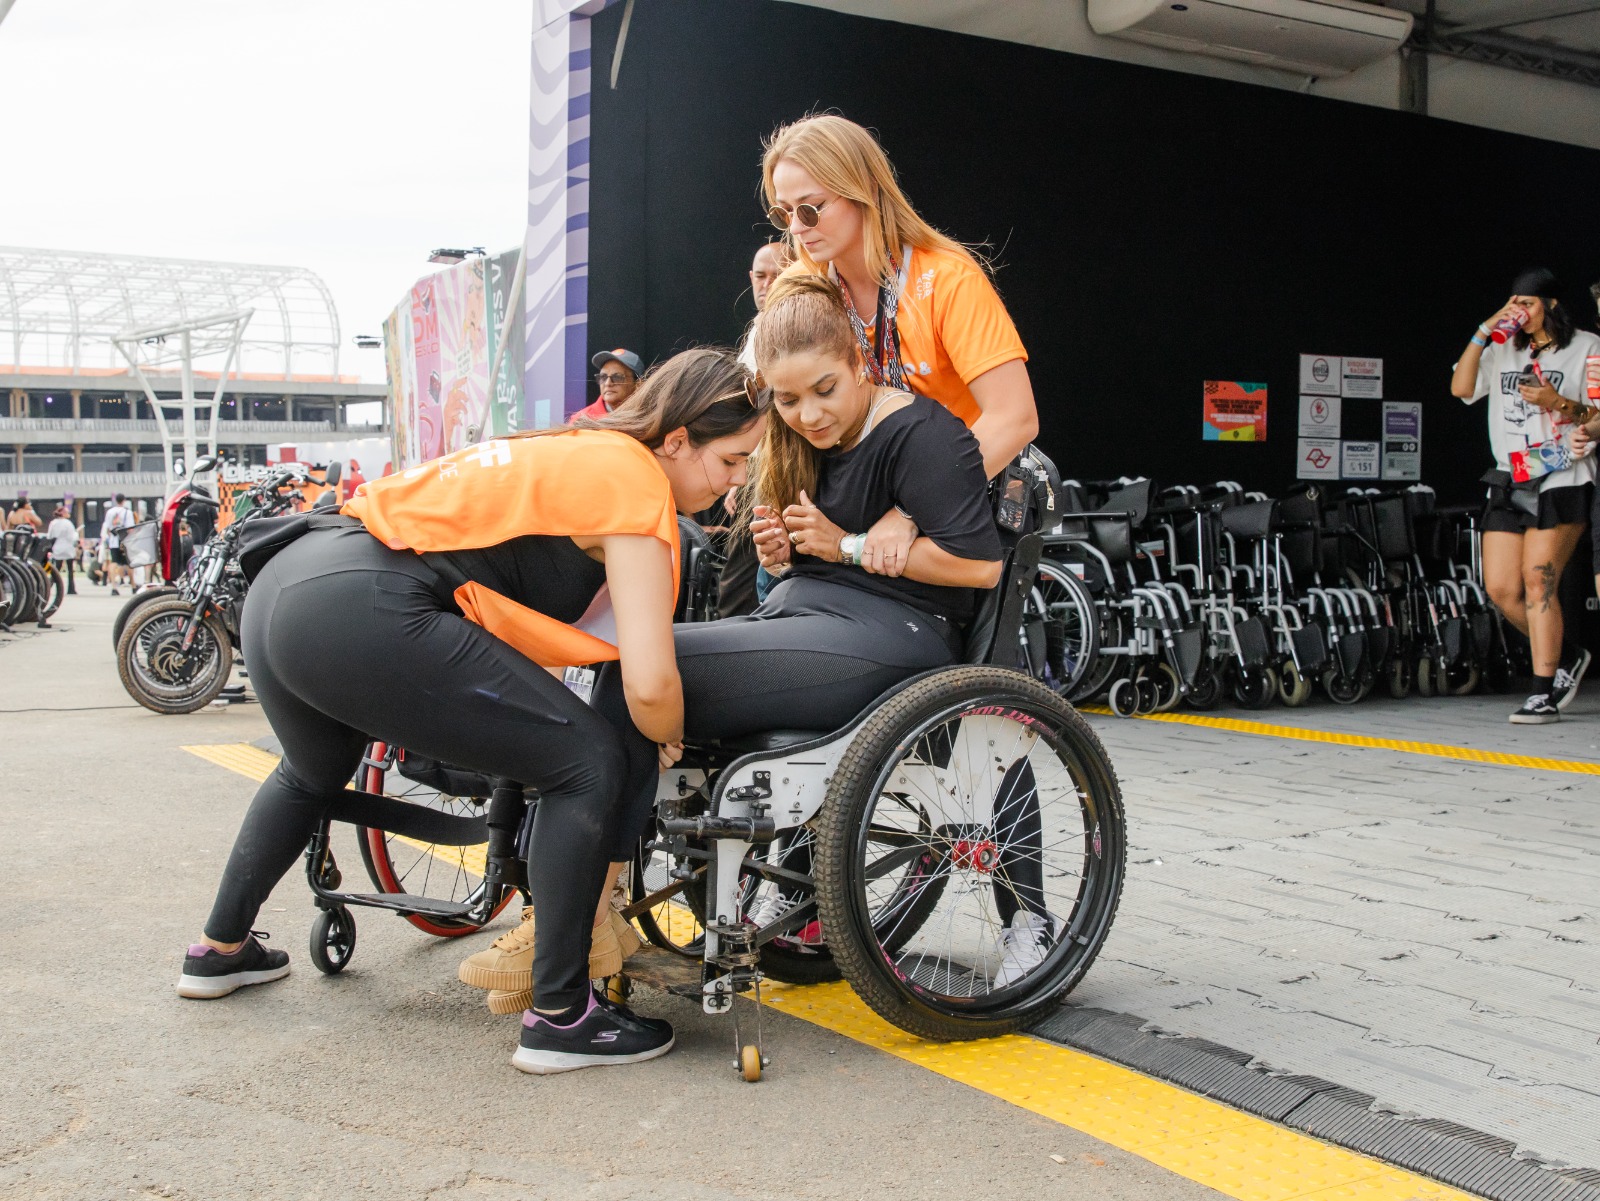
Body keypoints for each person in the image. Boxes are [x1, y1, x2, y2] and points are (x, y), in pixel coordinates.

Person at [175, 348, 766, 1076]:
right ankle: (560, 1015)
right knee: (586, 761)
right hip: (369, 605)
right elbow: (649, 683)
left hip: (290, 585)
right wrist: (666, 730)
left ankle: (220, 949)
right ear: (677, 439)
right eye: (733, 460)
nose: (737, 481)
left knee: (311, 769)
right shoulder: (636, 480)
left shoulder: (568, 446)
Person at [762, 112, 1039, 576]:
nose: (796, 228)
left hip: (958, 503)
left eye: (810, 208)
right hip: (854, 503)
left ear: (866, 189)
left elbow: (1015, 419)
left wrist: (911, 511)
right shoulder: (799, 284)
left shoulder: (947, 279)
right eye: (782, 213)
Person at [1451, 268, 1599, 724]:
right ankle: (1567, 656)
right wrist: (1484, 330)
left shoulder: (1587, 346)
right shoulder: (1502, 348)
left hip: (1562, 473)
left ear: (1551, 304)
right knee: (1500, 586)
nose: (1521, 312)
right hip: (1510, 475)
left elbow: (1596, 411)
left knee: (1539, 580)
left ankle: (1542, 692)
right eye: (1514, 303)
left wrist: (1557, 403)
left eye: (1528, 303)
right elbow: (1460, 389)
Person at [572, 348, 644, 421]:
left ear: (638, 384)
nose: (608, 383)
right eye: (603, 377)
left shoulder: (650, 419)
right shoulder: (581, 420)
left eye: (617, 377)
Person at [100, 493, 134, 596]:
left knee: (114, 562)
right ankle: (133, 586)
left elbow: (107, 527)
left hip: (113, 540)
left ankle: (114, 586)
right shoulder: (127, 512)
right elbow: (130, 528)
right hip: (124, 540)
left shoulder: (110, 512)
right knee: (128, 563)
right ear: (124, 500)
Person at [46, 506, 78, 596]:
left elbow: (50, 536)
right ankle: (71, 589)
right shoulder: (68, 523)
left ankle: (49, 586)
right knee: (70, 569)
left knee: (56, 569)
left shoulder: (53, 523)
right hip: (68, 548)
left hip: (57, 548)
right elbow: (72, 536)